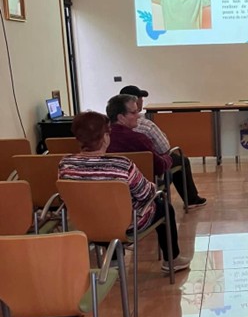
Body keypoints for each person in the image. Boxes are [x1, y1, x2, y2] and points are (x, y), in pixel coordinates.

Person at [58, 111, 190, 273]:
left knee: (100, 210)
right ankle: (172, 260)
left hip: (85, 224)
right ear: (105, 137)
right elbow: (145, 195)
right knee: (164, 206)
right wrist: (153, 187)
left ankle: (113, 263)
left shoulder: (65, 164)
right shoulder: (121, 164)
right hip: (125, 226)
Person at [106, 94, 207, 208]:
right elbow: (160, 165)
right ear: (121, 117)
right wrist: (167, 158)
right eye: (134, 113)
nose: (138, 116)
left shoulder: (101, 139)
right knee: (179, 161)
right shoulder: (139, 138)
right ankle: (191, 199)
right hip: (143, 185)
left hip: (109, 188)